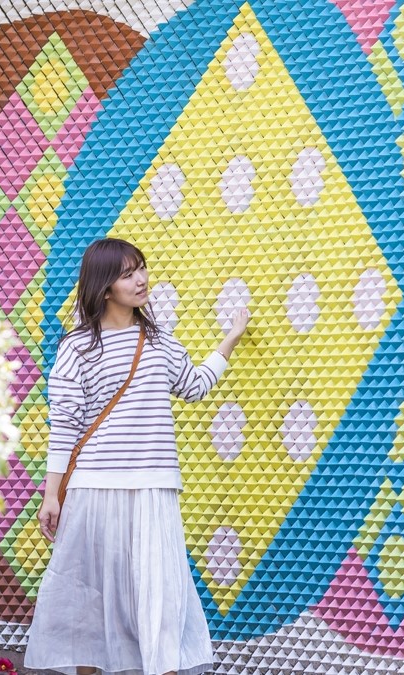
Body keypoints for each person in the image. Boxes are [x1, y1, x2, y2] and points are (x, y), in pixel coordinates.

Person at [23, 237, 250, 675]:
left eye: (142, 268)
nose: (141, 279)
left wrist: (230, 340)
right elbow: (64, 425)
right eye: (127, 274)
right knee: (89, 597)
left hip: (153, 485)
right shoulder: (77, 348)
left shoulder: (159, 340)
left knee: (160, 592)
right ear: (104, 287)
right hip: (94, 488)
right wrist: (52, 496)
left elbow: (195, 385)